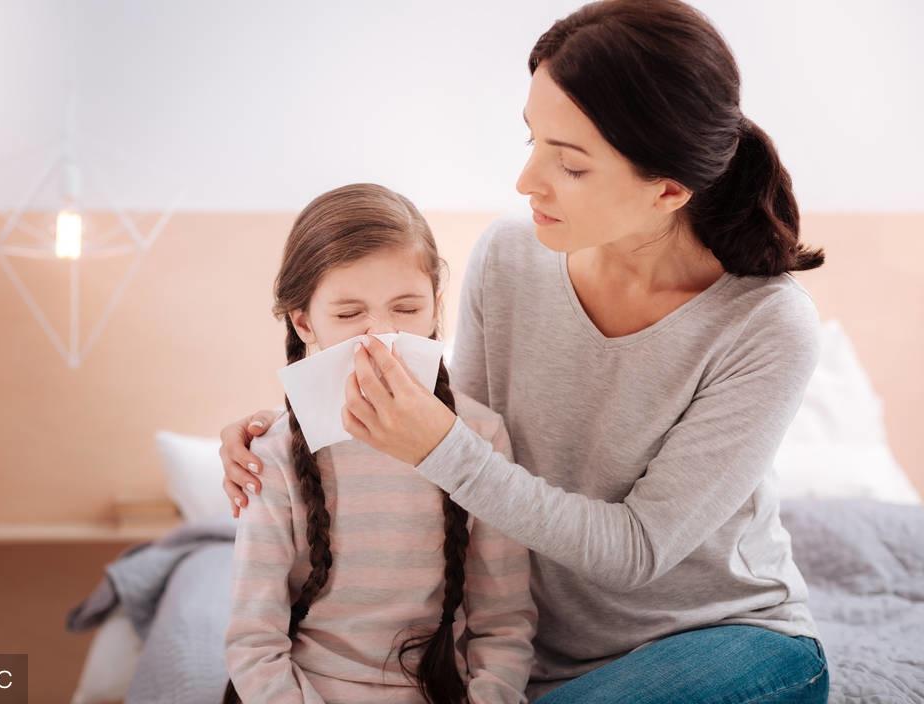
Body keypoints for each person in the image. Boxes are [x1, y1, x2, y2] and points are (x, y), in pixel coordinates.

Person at [220, 0, 830, 701]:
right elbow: (462, 435)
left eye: (568, 163)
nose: (526, 181)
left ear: (666, 189)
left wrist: (439, 444)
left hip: (724, 642)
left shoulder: (767, 324)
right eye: (531, 140)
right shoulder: (510, 256)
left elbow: (633, 548)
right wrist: (277, 429)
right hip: (538, 655)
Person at [222, 183, 537, 704]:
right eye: (349, 315)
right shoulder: (273, 455)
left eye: (406, 308)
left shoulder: (482, 437)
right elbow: (254, 643)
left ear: (436, 308)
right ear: (304, 322)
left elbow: (502, 626)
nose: (379, 337)